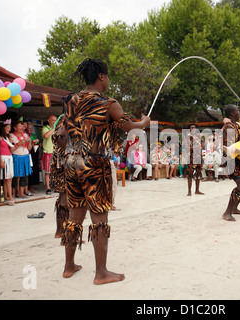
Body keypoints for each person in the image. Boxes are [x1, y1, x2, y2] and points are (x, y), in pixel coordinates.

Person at [62, 58, 150, 285]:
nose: (108, 81)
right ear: (101, 76)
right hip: (94, 164)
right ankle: (101, 273)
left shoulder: (70, 100)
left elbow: (63, 133)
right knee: (99, 218)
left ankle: (69, 266)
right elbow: (128, 126)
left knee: (74, 217)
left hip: (71, 162)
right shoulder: (108, 103)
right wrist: (144, 122)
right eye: (108, 77)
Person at [49, 114, 69, 239]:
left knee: (64, 196)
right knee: (65, 197)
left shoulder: (65, 119)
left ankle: (61, 230)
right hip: (63, 163)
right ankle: (62, 231)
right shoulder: (65, 120)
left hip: (62, 161)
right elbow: (61, 140)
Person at [10, 118, 33, 199]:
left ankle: (21, 193)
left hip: (25, 157)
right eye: (19, 126)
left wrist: (30, 142)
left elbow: (29, 148)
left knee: (24, 175)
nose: (21, 128)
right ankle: (13, 193)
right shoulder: (11, 136)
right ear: (15, 127)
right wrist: (19, 143)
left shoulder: (26, 135)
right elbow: (11, 149)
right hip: (16, 157)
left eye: (22, 126)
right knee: (15, 176)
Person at [184, 124, 205, 196]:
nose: (193, 129)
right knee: (190, 174)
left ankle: (197, 190)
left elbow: (203, 147)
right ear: (189, 129)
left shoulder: (198, 137)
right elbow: (186, 148)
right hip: (191, 158)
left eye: (194, 128)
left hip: (198, 157)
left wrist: (202, 144)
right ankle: (189, 191)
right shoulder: (187, 137)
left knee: (198, 174)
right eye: (191, 127)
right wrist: (195, 148)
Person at [0, 119, 15, 206]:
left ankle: (6, 196)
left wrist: (18, 143)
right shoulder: (0, 137)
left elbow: (12, 149)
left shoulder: (6, 138)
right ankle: (10, 198)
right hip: (3, 158)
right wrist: (0, 161)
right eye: (7, 127)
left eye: (10, 127)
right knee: (8, 179)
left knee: (8, 179)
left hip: (9, 158)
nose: (9, 129)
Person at [42, 114, 57, 195]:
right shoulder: (45, 128)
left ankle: (55, 186)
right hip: (48, 151)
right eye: (53, 120)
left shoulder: (55, 129)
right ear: (48, 121)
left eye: (55, 120)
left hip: (55, 151)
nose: (54, 122)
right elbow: (46, 135)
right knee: (48, 171)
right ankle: (48, 188)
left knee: (55, 170)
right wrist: (54, 128)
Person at [26, 120, 40, 194]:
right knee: (29, 170)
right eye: (29, 128)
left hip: (35, 153)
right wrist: (32, 142)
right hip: (29, 153)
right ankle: (27, 187)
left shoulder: (33, 135)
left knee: (34, 169)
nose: (31, 129)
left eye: (32, 128)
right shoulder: (27, 136)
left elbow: (37, 143)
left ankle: (31, 187)